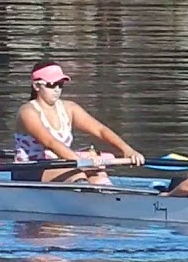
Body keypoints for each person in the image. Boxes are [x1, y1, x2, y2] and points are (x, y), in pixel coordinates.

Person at [12, 60, 144, 184]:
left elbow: (100, 130)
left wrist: (127, 150)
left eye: (60, 84)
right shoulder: (27, 112)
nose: (57, 89)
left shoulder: (69, 108)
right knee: (77, 176)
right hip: (29, 170)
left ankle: (109, 201)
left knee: (99, 176)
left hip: (63, 163)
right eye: (51, 85)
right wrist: (81, 162)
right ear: (36, 86)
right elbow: (50, 143)